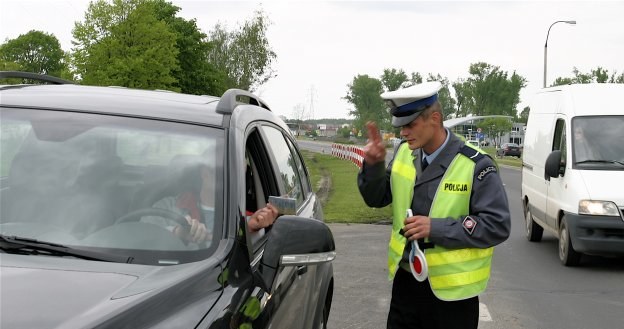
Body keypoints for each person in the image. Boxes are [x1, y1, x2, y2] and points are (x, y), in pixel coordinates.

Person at [357, 81, 511, 329]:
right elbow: (376, 198)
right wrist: (373, 166)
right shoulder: (404, 154)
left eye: (410, 125)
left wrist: (436, 228)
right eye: (400, 127)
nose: (403, 133)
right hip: (406, 286)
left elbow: (497, 225)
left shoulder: (476, 165)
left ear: (435, 118)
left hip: (452, 298)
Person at [144, 154, 278, 245]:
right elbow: (142, 231)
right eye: (224, 170)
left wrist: (250, 230)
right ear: (204, 173)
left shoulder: (245, 218)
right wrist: (176, 232)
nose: (233, 178)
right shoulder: (169, 204)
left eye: (238, 173)